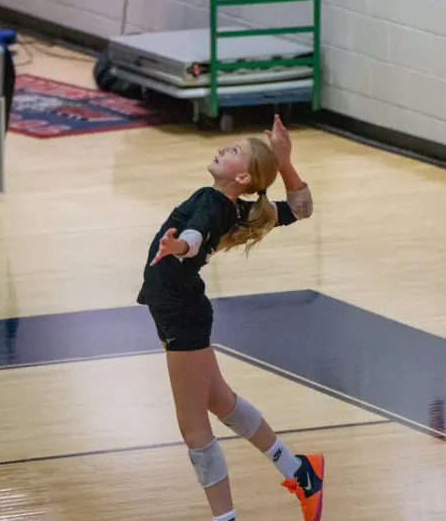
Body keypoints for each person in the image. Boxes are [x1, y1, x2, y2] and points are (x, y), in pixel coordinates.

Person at [136, 115, 322, 521]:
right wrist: (284, 161)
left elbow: (196, 233)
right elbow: (301, 208)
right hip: (179, 308)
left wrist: (179, 247)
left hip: (182, 313)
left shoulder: (213, 201)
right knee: (219, 400)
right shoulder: (240, 209)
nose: (224, 149)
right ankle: (300, 473)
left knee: (194, 430)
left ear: (242, 178)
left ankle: (226, 518)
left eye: (234, 151)